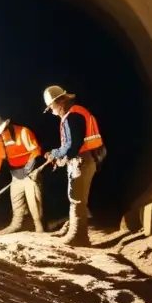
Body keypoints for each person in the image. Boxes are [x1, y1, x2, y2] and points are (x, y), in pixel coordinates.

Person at [42, 85, 106, 247]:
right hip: (84, 158)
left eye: (51, 106)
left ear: (61, 101)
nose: (51, 110)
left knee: (77, 199)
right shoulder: (75, 113)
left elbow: (72, 145)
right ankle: (74, 229)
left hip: (82, 160)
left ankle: (79, 236)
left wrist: (54, 154)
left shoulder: (73, 116)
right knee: (76, 198)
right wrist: (61, 158)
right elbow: (72, 146)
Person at [0, 114, 44, 234]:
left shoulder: (23, 132)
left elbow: (35, 151)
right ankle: (16, 224)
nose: (1, 135)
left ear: (6, 126)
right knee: (16, 199)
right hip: (16, 175)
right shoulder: (1, 142)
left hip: (30, 173)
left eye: (1, 132)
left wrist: (28, 169)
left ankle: (39, 226)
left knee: (33, 198)